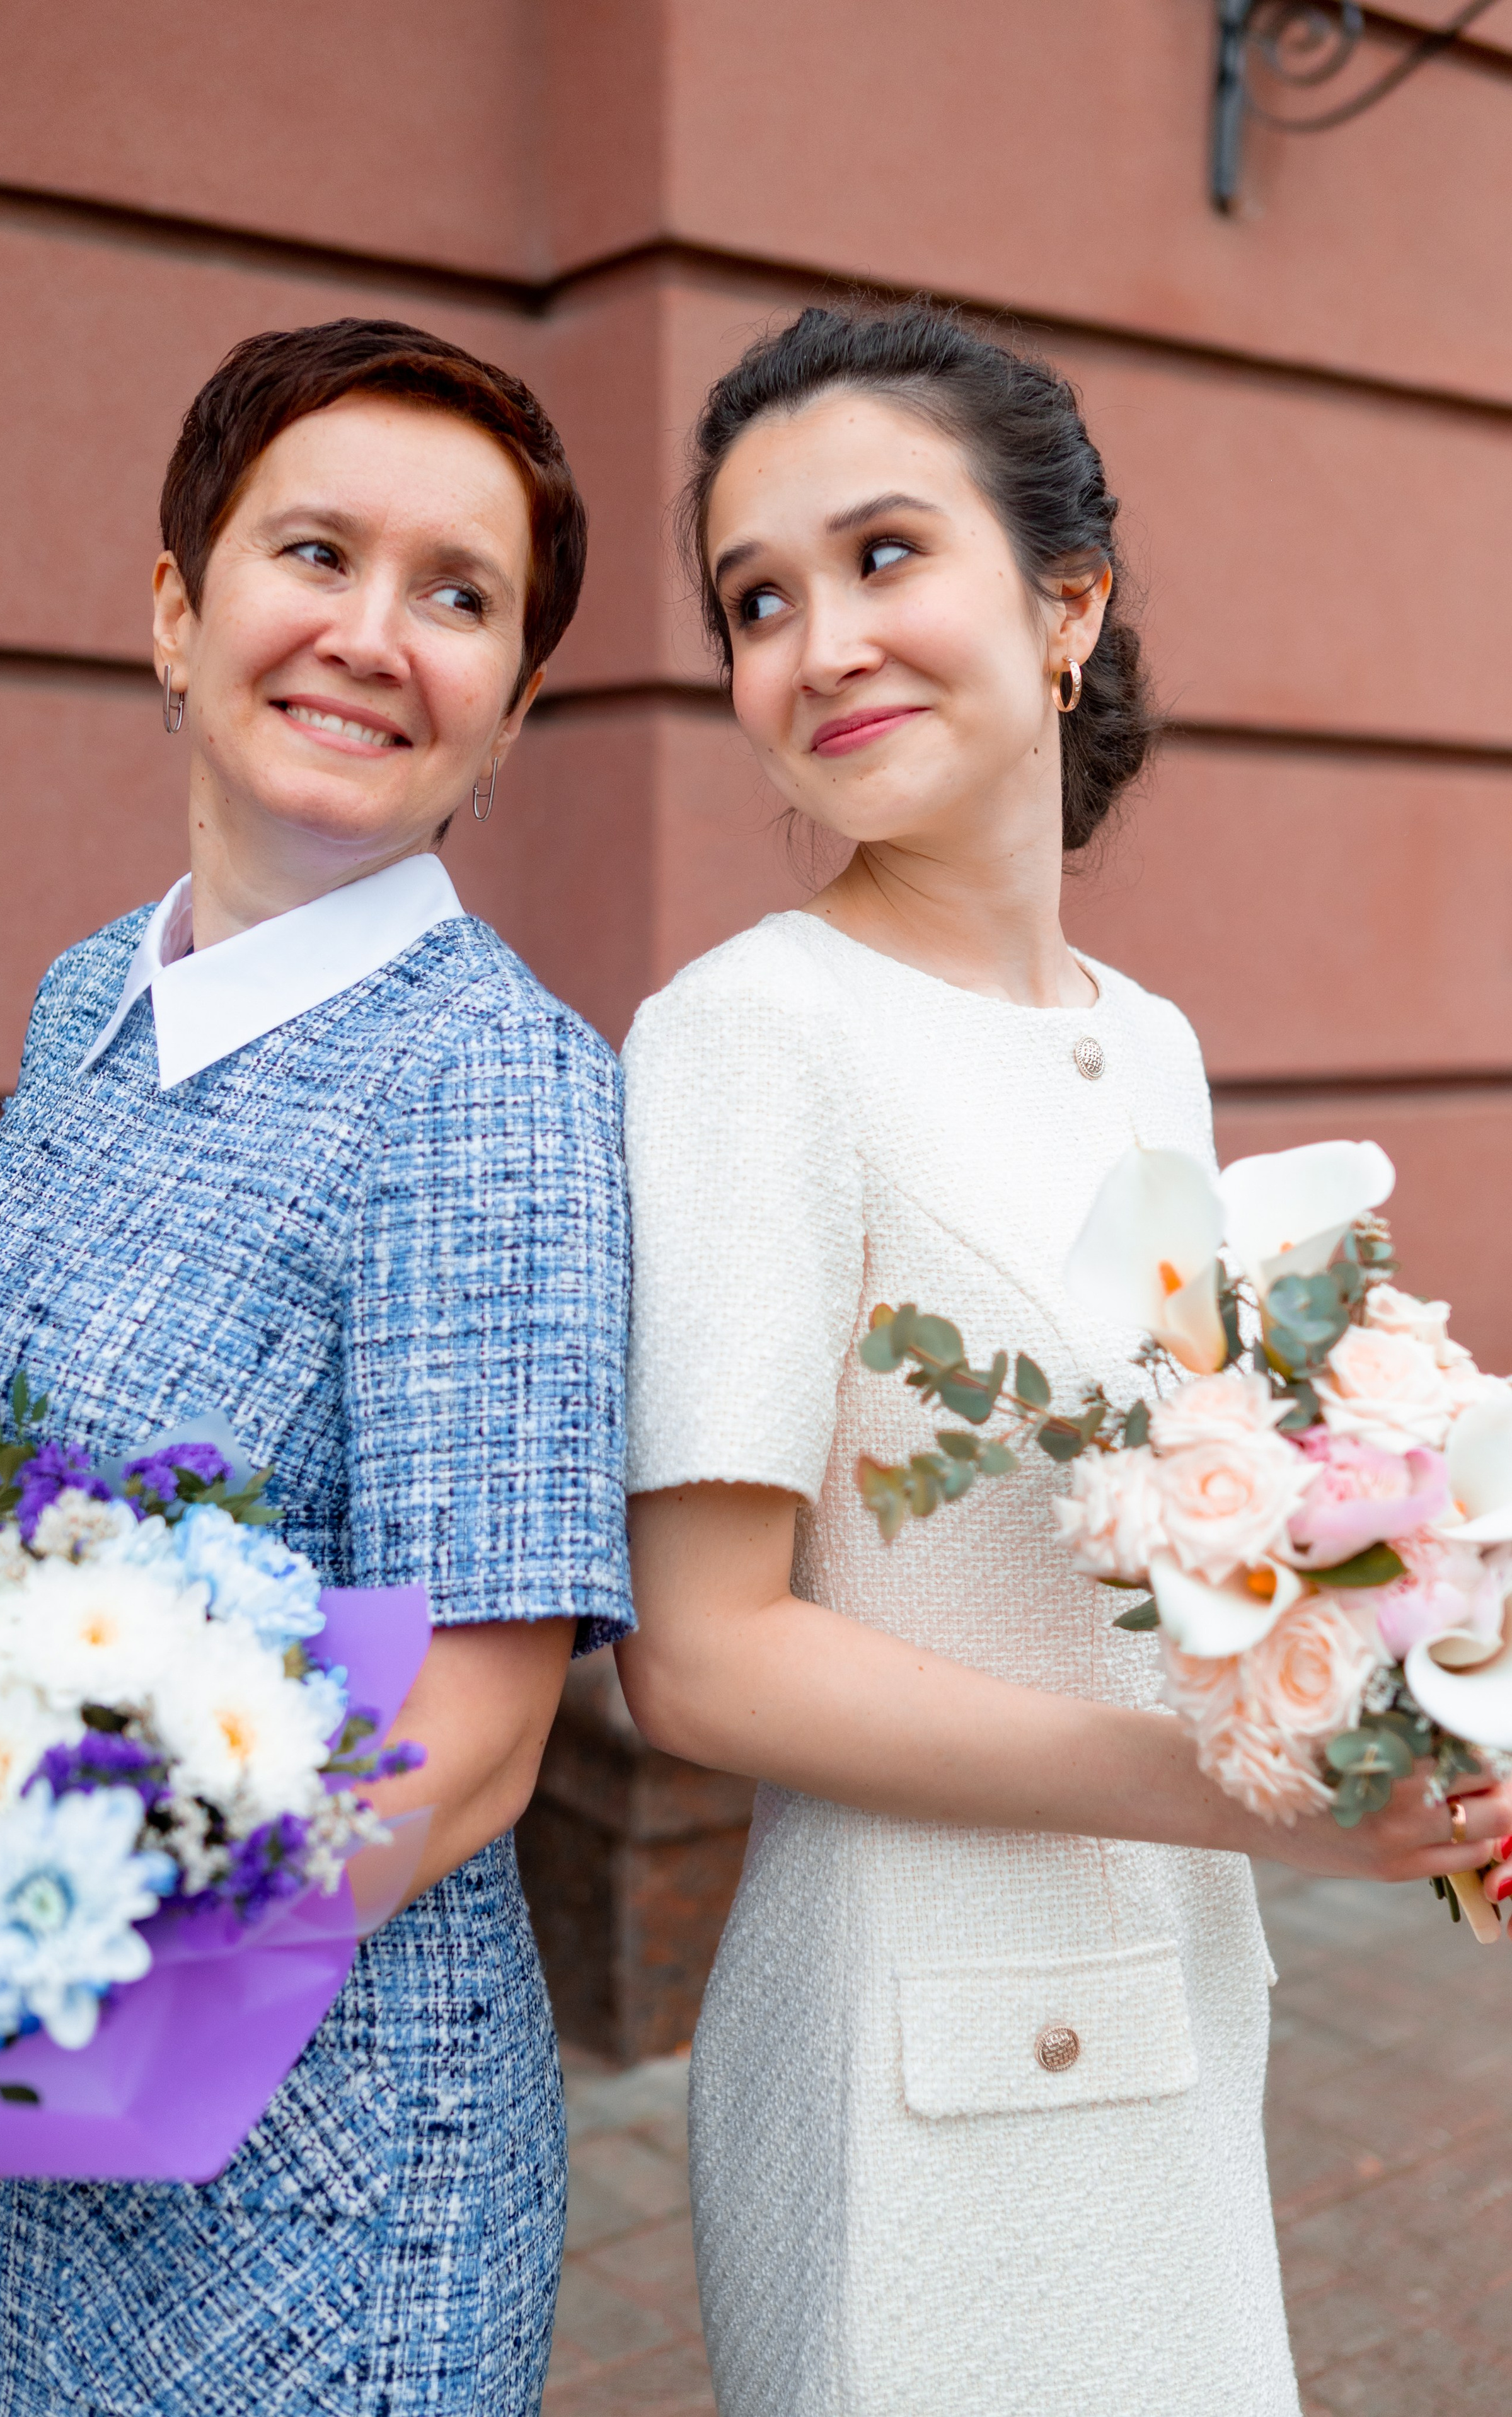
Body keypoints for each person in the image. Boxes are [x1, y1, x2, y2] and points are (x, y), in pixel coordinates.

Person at [615, 301, 1512, 2417]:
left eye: (883, 554)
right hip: (915, 2060)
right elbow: (704, 1657)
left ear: (1068, 606)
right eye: (758, 600)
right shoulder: (752, 1035)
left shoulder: (1149, 1041)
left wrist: (1390, 1676)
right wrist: (1237, 1793)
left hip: (1170, 2005)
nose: (819, 642)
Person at [0, 317, 632, 2416]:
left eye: (458, 597)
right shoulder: (90, 998)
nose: (371, 636)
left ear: (512, 707)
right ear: (176, 608)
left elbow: (470, 1745)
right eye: (315, 552)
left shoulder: (493, 1085)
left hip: (289, 2214)